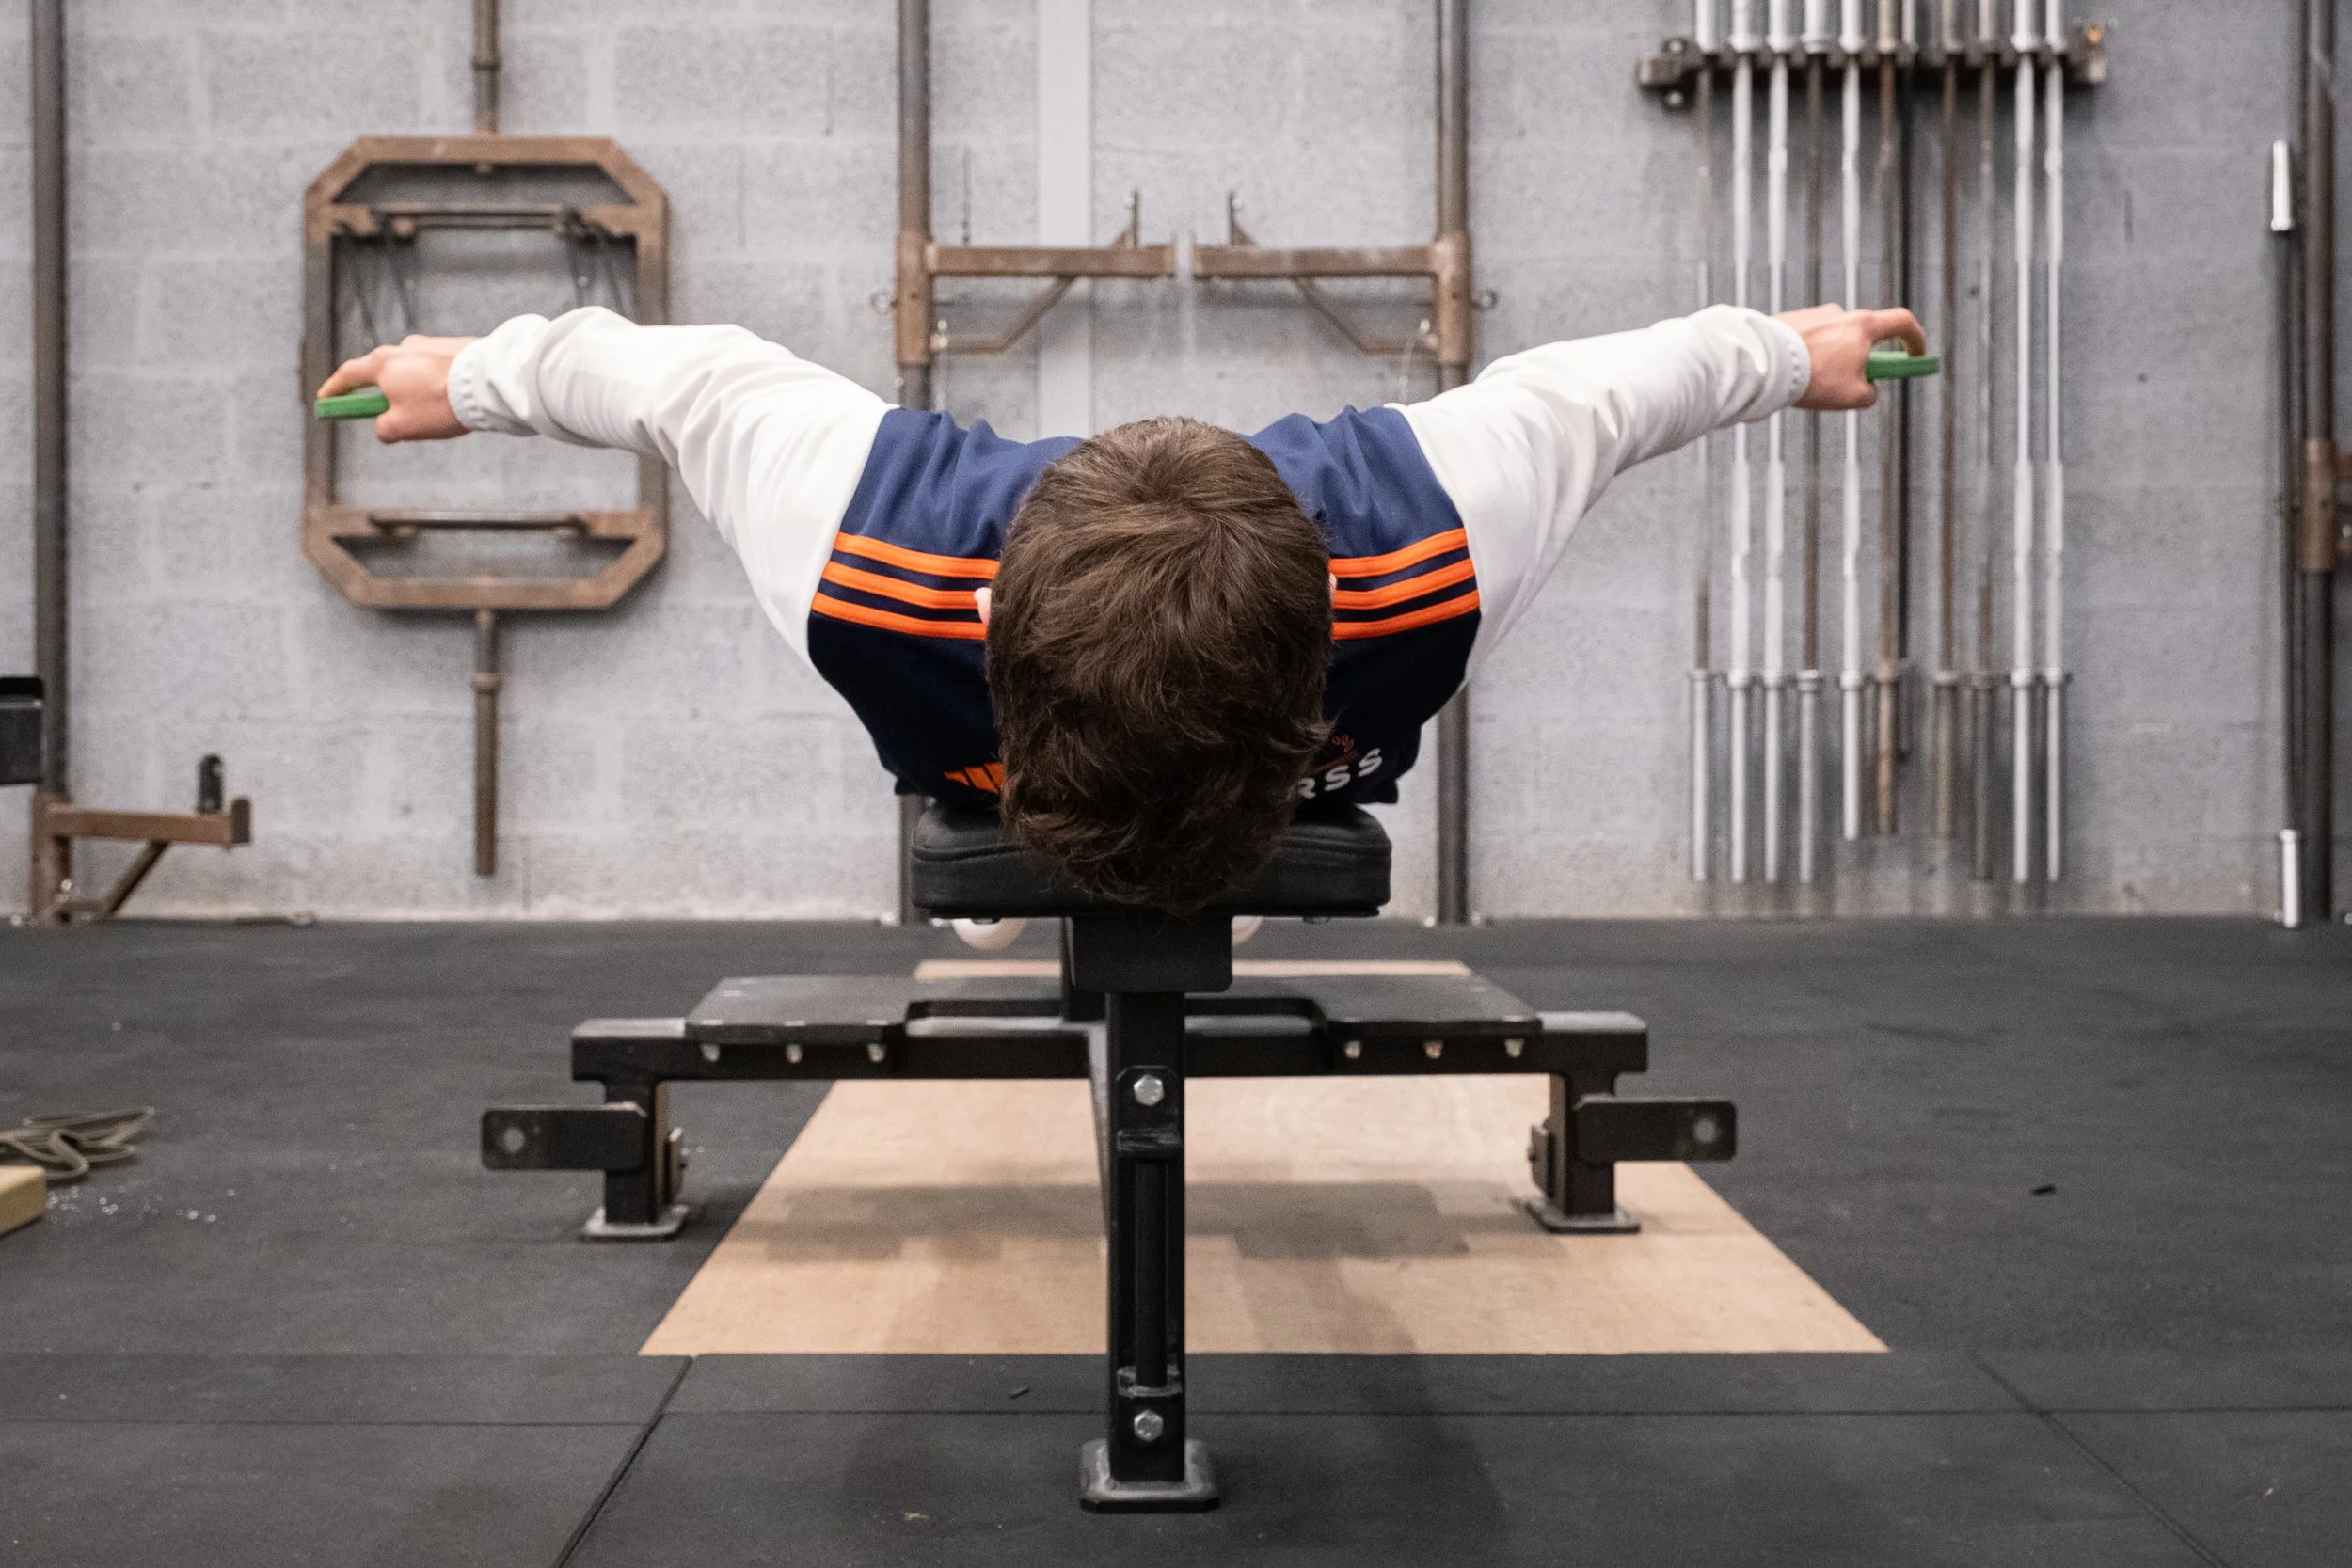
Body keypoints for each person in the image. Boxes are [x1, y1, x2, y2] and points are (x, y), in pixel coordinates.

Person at [318, 298, 1923, 910]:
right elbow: (1612, 391)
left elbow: (674, 378)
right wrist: (1794, 354)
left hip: (1053, 786)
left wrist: (462, 375)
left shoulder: (874, 565)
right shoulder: (1421, 550)